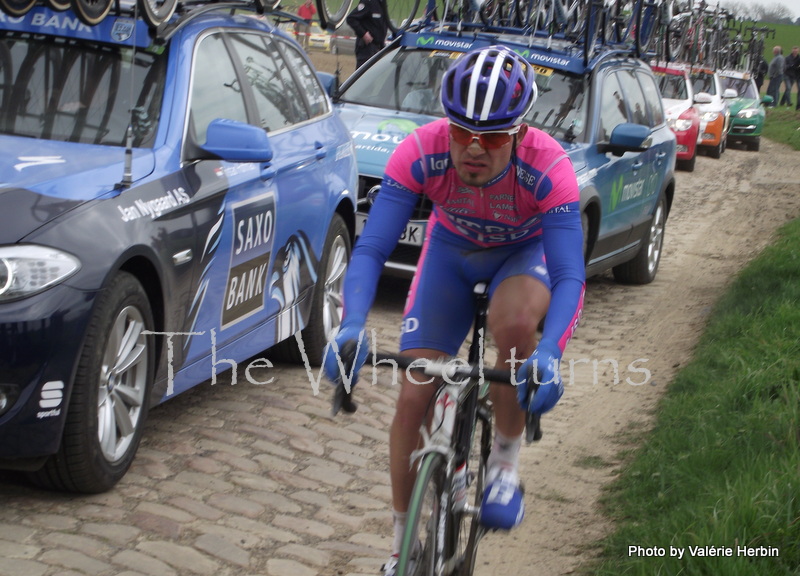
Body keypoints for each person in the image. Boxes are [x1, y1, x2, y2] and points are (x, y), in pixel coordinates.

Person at [323, 46, 585, 576]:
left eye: (490, 137)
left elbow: (569, 276)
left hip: (522, 256)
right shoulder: (420, 152)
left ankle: (504, 464)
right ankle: (402, 547)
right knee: (413, 393)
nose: (472, 148)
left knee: (513, 328)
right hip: (450, 253)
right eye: (461, 131)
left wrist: (551, 351)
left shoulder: (548, 170)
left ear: (517, 133)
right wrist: (350, 325)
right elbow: (371, 248)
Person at [346, 0, 389, 69]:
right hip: (367, 48)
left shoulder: (382, 4)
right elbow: (351, 19)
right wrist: (364, 34)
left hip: (378, 48)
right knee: (363, 76)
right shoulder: (368, 2)